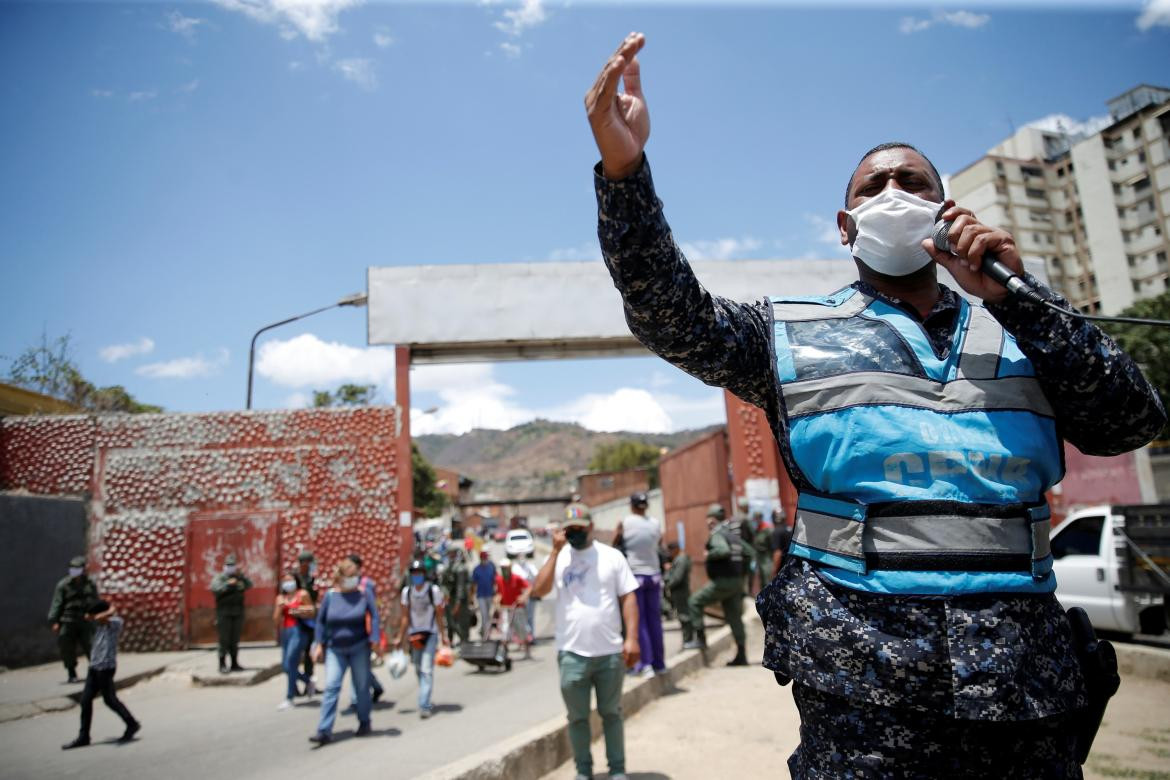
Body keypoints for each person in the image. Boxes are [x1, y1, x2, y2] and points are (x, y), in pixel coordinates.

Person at [585, 33, 1166, 777]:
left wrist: (1027, 301)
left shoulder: (1026, 329)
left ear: (946, 213)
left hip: (1025, 690)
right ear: (844, 225)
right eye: (874, 186)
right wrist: (625, 170)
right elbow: (669, 313)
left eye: (914, 182)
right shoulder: (785, 333)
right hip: (865, 694)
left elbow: (1129, 419)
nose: (895, 193)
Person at [531, 504, 640, 780]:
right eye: (570, 530)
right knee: (577, 718)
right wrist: (555, 551)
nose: (575, 534)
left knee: (612, 713)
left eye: (580, 529)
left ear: (591, 527)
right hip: (572, 652)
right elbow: (539, 590)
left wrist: (632, 638)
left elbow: (628, 597)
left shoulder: (612, 557)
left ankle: (617, 770)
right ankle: (583, 771)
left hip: (609, 651)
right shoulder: (560, 558)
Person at [309, 559, 380, 745]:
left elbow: (374, 616)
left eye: (355, 575)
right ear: (340, 577)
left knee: (362, 687)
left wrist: (375, 639)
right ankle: (324, 730)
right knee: (331, 686)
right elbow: (321, 621)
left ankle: (364, 721)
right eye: (350, 576)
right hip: (335, 649)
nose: (354, 579)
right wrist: (318, 644)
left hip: (359, 647)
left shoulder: (364, 594)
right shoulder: (331, 596)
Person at [61, 600, 139, 749]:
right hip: (94, 667)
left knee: (110, 700)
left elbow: (97, 617)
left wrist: (111, 608)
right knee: (85, 701)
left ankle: (132, 723)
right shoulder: (100, 625)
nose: (92, 617)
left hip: (106, 668)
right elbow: (89, 617)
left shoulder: (115, 622)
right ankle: (84, 736)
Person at [684, 504, 750, 666]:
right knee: (734, 618)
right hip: (736, 581)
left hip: (723, 581)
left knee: (694, 602)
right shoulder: (733, 536)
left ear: (712, 520)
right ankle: (742, 655)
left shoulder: (718, 535)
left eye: (708, 519)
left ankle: (700, 639)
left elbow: (723, 551)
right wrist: (743, 575)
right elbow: (749, 553)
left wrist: (708, 555)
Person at [612, 491, 666, 676]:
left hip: (635, 577)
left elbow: (615, 545)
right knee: (655, 622)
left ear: (631, 505)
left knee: (639, 621)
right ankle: (660, 663)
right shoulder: (655, 524)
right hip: (655, 576)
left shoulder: (625, 523)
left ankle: (645, 664)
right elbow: (659, 543)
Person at [392, 560, 449, 719]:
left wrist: (444, 635)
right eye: (414, 574)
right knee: (418, 668)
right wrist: (399, 637)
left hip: (430, 633)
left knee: (426, 669)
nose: (417, 576)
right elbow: (405, 617)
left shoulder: (433, 590)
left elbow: (439, 614)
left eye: (419, 573)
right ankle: (425, 693)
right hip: (414, 635)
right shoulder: (407, 592)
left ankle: (424, 704)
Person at [47, 555, 98, 683]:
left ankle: (97, 673)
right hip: (68, 620)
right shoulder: (63, 585)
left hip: (85, 621)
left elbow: (95, 602)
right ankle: (71, 673)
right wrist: (54, 621)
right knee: (66, 647)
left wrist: (95, 615)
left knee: (92, 646)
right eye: (73, 569)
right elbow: (57, 603)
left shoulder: (90, 584)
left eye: (78, 568)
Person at [344, 553, 385, 707]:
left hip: (364, 630)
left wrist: (375, 634)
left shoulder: (368, 585)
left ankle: (357, 700)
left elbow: (375, 608)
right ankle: (375, 686)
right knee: (358, 665)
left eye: (350, 566)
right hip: (349, 630)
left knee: (360, 665)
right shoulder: (343, 584)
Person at [274, 570, 316, 709]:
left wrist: (294, 610)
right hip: (286, 632)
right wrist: (280, 607)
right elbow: (275, 620)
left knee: (292, 661)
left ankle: (290, 697)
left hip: (299, 631)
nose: (287, 583)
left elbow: (312, 611)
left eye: (290, 579)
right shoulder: (281, 598)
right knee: (286, 666)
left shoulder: (302, 594)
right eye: (285, 580)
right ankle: (308, 681)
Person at [210, 553, 252, 673]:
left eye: (232, 565)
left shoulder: (239, 578)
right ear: (224, 566)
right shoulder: (220, 578)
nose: (231, 567)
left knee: (235, 639)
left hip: (237, 613)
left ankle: (234, 663)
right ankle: (222, 664)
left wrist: (241, 577)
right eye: (229, 565)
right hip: (224, 614)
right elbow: (215, 589)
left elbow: (249, 585)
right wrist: (228, 584)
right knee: (224, 639)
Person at [494, 558, 531, 658]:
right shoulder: (499, 579)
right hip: (506, 608)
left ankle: (527, 651)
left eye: (506, 568)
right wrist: (497, 599)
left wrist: (524, 596)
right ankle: (504, 654)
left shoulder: (517, 578)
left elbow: (529, 587)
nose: (504, 570)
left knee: (521, 630)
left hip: (517, 608)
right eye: (503, 568)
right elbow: (498, 592)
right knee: (505, 631)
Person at [294, 550, 318, 686]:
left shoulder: (312, 578)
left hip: (311, 619)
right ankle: (295, 684)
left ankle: (309, 681)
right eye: (310, 563)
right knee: (296, 654)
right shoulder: (294, 578)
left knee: (310, 652)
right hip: (297, 620)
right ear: (304, 563)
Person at [662, 541, 693, 648]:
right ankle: (687, 640)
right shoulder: (679, 559)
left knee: (684, 616)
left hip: (681, 592)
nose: (669, 554)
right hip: (678, 592)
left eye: (670, 551)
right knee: (683, 615)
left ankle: (688, 640)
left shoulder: (681, 559)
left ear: (675, 549)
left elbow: (677, 577)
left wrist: (667, 584)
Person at [440, 547, 471, 646]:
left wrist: (458, 603)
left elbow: (461, 587)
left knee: (462, 623)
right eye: (450, 554)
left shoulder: (461, 568)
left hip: (460, 601)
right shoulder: (447, 567)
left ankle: (464, 642)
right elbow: (443, 583)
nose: (451, 556)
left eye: (453, 553)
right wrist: (445, 594)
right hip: (450, 599)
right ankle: (450, 641)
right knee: (450, 623)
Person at [512, 553, 540, 644]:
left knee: (530, 617)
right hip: (520, 597)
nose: (522, 559)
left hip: (530, 595)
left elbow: (536, 576)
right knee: (521, 618)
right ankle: (522, 638)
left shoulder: (530, 567)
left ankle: (531, 636)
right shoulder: (515, 568)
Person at [470, 551, 497, 640]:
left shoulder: (491, 567)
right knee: (484, 614)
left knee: (488, 615)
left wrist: (496, 593)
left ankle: (484, 629)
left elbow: (495, 580)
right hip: (481, 595)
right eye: (484, 558)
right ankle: (486, 635)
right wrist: (471, 597)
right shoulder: (476, 569)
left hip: (490, 594)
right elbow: (473, 584)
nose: (485, 560)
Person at [750, 510, 774, 592]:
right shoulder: (757, 530)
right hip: (759, 558)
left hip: (767, 557)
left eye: (756, 519)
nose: (755, 521)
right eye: (754, 519)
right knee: (762, 580)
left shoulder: (768, 529)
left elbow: (773, 546)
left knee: (768, 579)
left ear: (760, 518)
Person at [770, 508, 791, 575]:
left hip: (783, 569)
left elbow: (777, 553)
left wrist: (773, 570)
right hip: (793, 567)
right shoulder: (791, 529)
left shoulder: (777, 532)